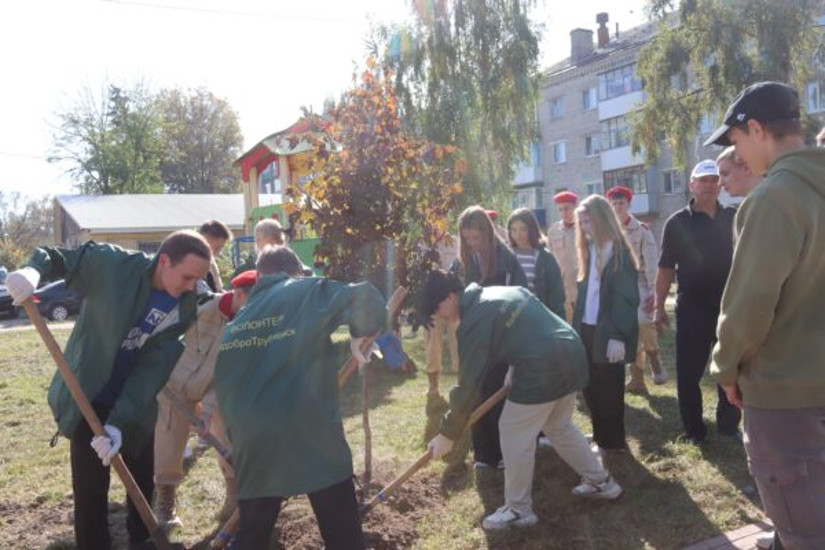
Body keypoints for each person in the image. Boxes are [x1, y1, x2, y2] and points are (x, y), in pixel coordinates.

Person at [6, 231, 212, 550]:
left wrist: (118, 421)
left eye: (196, 281)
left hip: (135, 403)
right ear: (165, 260)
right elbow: (62, 259)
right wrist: (33, 270)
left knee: (142, 480)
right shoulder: (114, 266)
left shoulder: (183, 306)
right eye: (187, 277)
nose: (191, 287)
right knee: (90, 491)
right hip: (87, 394)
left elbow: (151, 369)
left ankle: (142, 540)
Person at [706, 81, 825, 550]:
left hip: (785, 395)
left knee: (804, 530)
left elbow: (748, 305)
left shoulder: (774, 198)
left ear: (755, 129)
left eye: (736, 142)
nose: (738, 155)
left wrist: (727, 366)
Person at [420, 270, 622, 531]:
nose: (442, 317)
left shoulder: (473, 320)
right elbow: (530, 325)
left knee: (513, 430)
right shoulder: (499, 293)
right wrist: (514, 368)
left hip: (542, 367)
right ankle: (601, 482)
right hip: (569, 351)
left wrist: (447, 433)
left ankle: (518, 510)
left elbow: (469, 385)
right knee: (559, 426)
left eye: (439, 310)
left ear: (450, 296)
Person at [213, 245, 386, 550]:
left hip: (252, 437)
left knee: (253, 532)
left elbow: (225, 386)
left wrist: (236, 439)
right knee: (341, 529)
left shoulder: (238, 322)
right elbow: (367, 297)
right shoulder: (303, 289)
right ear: (292, 272)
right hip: (308, 431)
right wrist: (361, 333)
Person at [153, 270, 257, 530]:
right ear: (239, 294)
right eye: (253, 301)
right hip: (173, 384)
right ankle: (165, 504)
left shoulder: (247, 325)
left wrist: (207, 411)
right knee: (169, 439)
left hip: (215, 389)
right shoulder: (201, 308)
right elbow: (163, 336)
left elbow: (227, 373)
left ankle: (233, 497)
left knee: (227, 434)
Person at [654, 159, 741, 445]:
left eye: (714, 180)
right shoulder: (677, 222)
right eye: (702, 180)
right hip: (692, 308)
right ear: (692, 185)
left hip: (730, 307)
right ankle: (694, 430)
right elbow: (665, 268)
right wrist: (658, 307)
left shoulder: (734, 216)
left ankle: (729, 425)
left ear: (719, 185)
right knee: (689, 373)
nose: (708, 185)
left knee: (729, 367)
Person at [453, 205, 527, 469]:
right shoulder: (463, 260)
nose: (473, 243)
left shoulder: (506, 259)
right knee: (476, 391)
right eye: (468, 238)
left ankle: (505, 452)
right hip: (475, 338)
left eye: (476, 238)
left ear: (487, 232)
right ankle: (485, 453)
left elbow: (520, 297)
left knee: (500, 393)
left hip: (500, 337)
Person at [571, 195, 639, 453]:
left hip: (609, 332)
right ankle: (600, 435)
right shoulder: (589, 250)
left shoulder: (618, 251)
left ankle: (613, 442)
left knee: (609, 388)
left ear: (602, 219)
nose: (585, 227)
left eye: (588, 221)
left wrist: (618, 335)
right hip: (587, 329)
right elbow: (585, 297)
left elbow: (625, 298)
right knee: (590, 385)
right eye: (582, 222)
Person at [606, 186, 667, 394]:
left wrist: (652, 293)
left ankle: (654, 358)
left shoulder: (641, 229)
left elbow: (651, 263)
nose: (617, 207)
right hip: (616, 286)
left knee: (642, 320)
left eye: (621, 203)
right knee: (627, 329)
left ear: (629, 205)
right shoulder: (607, 230)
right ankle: (637, 378)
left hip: (639, 282)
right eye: (613, 204)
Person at [506, 207, 566, 318]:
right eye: (513, 230)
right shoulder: (506, 256)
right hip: (512, 320)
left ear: (531, 229)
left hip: (539, 318)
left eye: (523, 229)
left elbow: (556, 296)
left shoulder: (545, 257)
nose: (518, 235)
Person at [546, 191, 579, 322]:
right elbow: (550, 261)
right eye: (560, 209)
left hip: (582, 287)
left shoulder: (585, 227)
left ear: (575, 207)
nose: (563, 213)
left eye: (567, 208)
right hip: (563, 288)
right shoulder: (553, 231)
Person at [198, 219, 233, 292]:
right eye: (217, 248)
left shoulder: (210, 261)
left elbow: (217, 288)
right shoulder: (194, 262)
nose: (219, 252)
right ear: (207, 238)